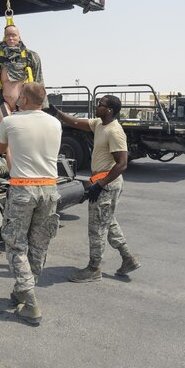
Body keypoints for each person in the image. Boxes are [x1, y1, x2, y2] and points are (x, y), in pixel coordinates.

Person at [47, 95, 140, 282]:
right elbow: (75, 121)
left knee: (97, 228)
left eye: (100, 105)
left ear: (110, 110)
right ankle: (128, 258)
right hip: (102, 181)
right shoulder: (99, 123)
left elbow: (122, 164)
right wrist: (56, 112)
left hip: (107, 184)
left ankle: (94, 269)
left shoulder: (114, 131)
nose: (97, 106)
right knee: (108, 222)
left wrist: (100, 185)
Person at [0, 82, 62, 325]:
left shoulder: (10, 122)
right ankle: (22, 291)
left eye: (20, 96)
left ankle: (30, 300)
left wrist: (7, 121)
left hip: (23, 188)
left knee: (15, 244)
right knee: (38, 244)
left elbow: (1, 147)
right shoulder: (55, 123)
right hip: (50, 189)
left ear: (23, 98)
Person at [0, 24, 46, 130]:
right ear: (4, 37)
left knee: (24, 135)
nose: (11, 38)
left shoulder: (31, 56)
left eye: (14, 35)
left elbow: (40, 82)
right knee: (7, 132)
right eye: (8, 36)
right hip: (5, 104)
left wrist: (42, 110)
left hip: (26, 106)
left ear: (19, 36)